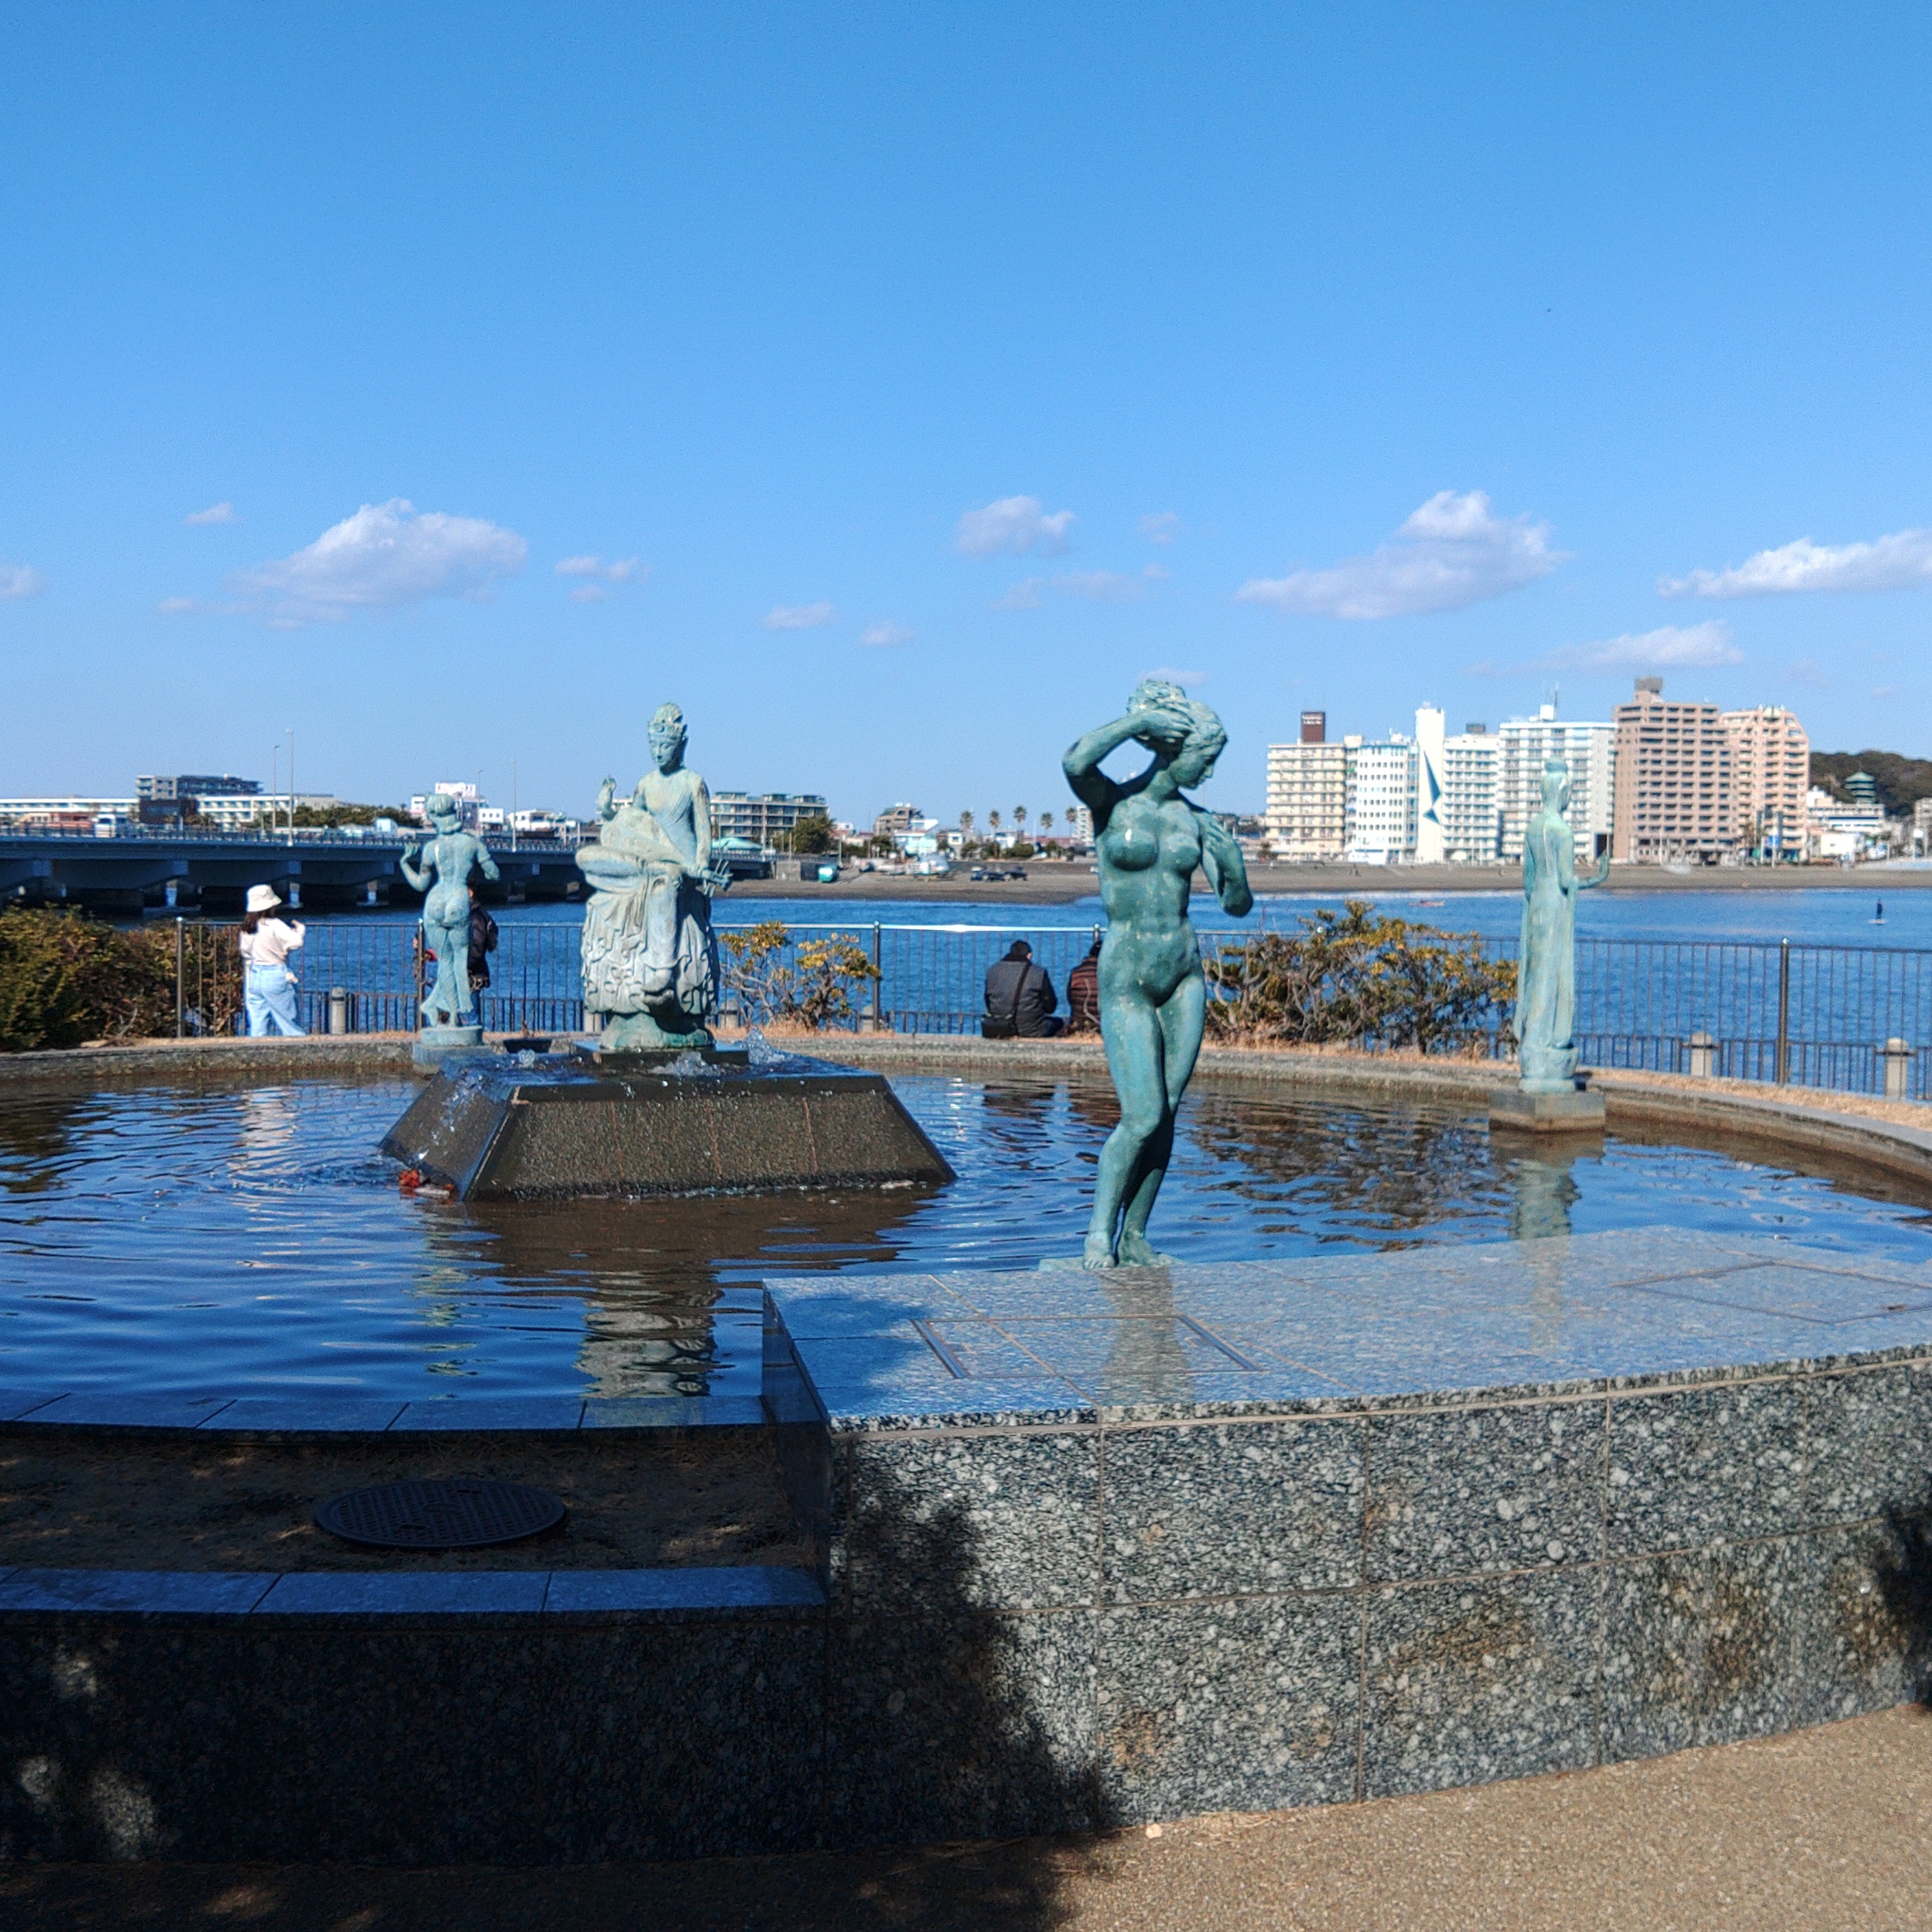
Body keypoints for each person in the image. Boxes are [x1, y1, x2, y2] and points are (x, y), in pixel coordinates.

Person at [1062, 678, 1251, 1267]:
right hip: (1127, 975)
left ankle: (1136, 1234)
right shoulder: (1110, 803)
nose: (1210, 773)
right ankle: (1098, 1231)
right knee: (1141, 1113)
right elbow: (1074, 760)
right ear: (1172, 748)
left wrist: (1235, 865)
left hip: (1183, 974)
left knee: (1166, 1114)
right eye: (1205, 759)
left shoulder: (1197, 821)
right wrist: (1135, 724)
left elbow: (1235, 902)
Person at [238, 885, 307, 1037]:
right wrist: (300, 930)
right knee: (289, 1022)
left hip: (255, 975)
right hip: (275, 973)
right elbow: (296, 942)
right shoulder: (275, 925)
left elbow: (245, 951)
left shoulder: (248, 927)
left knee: (258, 1023)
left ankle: (255, 1053)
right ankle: (299, 1053)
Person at [982, 939, 1063, 1038]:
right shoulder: (1038, 972)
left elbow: (988, 1001)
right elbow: (1050, 1006)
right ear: (1029, 955)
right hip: (1031, 1029)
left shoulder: (992, 971)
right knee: (1059, 1023)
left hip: (998, 1027)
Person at [467, 888, 500, 1033]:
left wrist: (460, 966)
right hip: (473, 973)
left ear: (469, 893)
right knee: (468, 1015)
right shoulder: (476, 915)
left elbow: (476, 949)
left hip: (470, 974)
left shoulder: (475, 918)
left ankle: (471, 1049)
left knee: (470, 1019)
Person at [1065, 937, 1102, 1034]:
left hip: (1078, 1022)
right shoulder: (1108, 975)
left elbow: (1069, 997)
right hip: (1102, 1024)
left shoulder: (1076, 973)